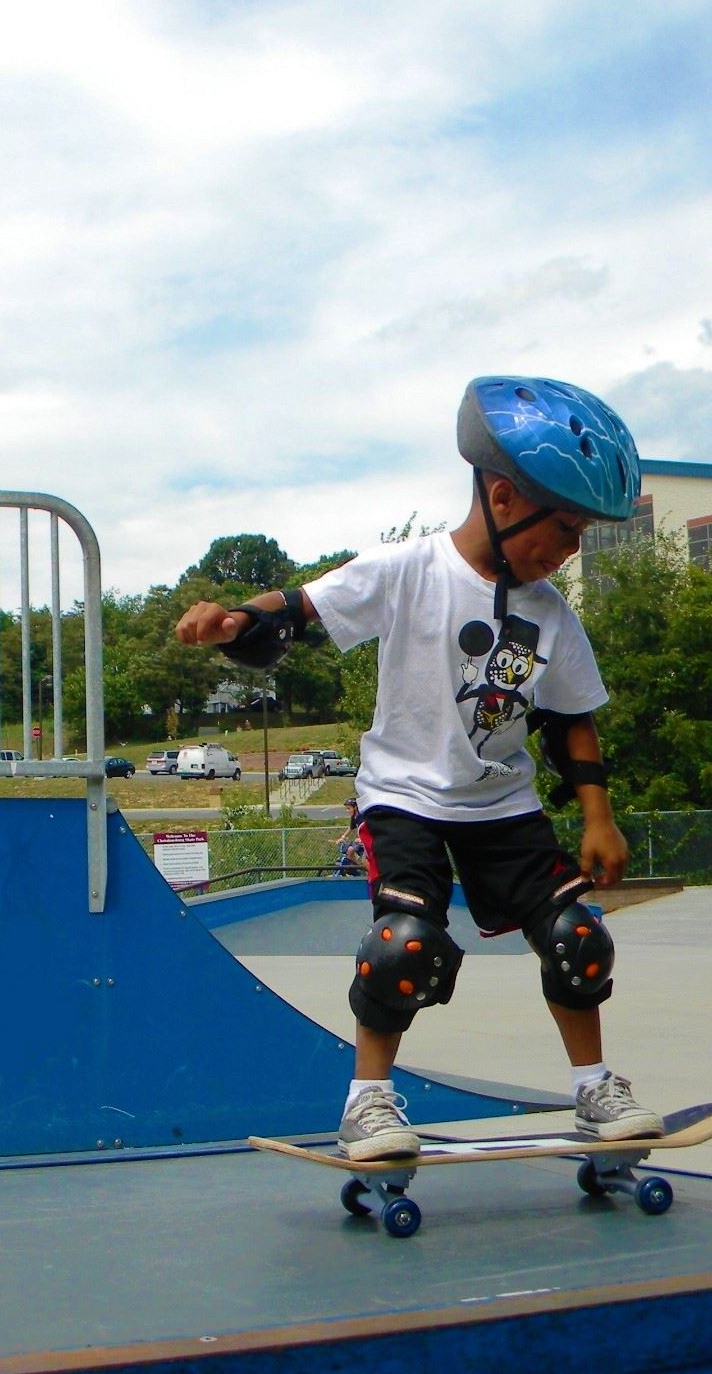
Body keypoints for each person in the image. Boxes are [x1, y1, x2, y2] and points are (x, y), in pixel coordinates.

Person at [176, 377, 663, 1161]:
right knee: (405, 944)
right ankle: (368, 1102)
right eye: (565, 530)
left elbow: (573, 716)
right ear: (504, 498)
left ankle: (595, 1088)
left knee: (580, 937)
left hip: (503, 806)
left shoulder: (550, 614)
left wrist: (598, 817)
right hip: (403, 799)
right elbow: (298, 609)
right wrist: (237, 620)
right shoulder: (409, 570)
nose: (569, 552)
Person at [333, 796, 365, 875]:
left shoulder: (362, 816)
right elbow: (350, 828)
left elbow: (367, 830)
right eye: (346, 808)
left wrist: (361, 839)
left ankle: (362, 870)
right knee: (349, 850)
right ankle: (356, 869)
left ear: (355, 807)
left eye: (349, 808)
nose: (347, 811)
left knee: (352, 851)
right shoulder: (354, 817)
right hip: (359, 841)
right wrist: (342, 837)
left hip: (365, 841)